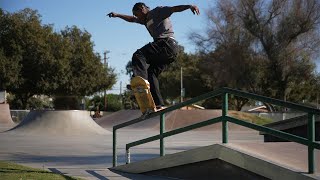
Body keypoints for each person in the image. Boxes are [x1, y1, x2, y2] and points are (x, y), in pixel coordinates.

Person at [108, 3, 200, 110]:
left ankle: (141, 82)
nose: (138, 18)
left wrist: (189, 6)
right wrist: (117, 15)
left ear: (142, 9)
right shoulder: (144, 19)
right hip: (167, 53)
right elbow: (131, 19)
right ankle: (159, 104)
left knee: (139, 55)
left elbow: (174, 8)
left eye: (138, 14)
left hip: (166, 44)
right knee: (151, 73)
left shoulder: (157, 12)